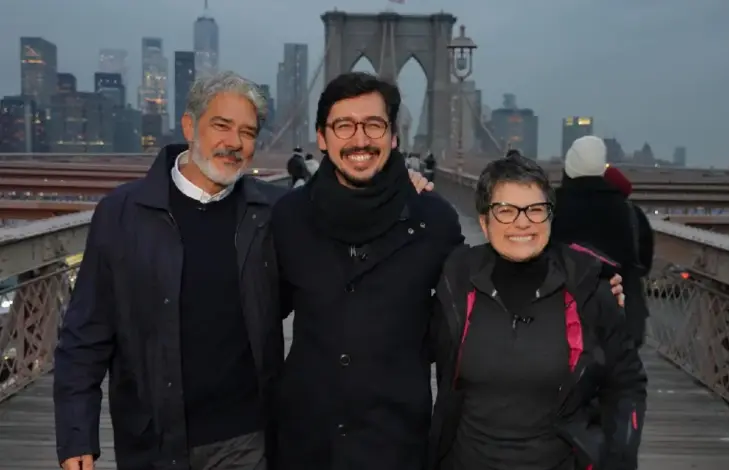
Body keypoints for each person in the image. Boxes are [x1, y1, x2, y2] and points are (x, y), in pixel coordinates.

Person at [268, 72, 625, 470]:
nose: (360, 139)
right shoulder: (287, 218)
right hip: (305, 442)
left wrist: (586, 281)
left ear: (393, 136)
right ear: (322, 136)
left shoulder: (432, 220)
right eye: (343, 125)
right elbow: (258, 313)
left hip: (397, 443)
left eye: (374, 125)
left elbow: (492, 278)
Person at [54, 71, 284, 470]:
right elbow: (86, 333)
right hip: (151, 441)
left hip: (245, 439)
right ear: (189, 125)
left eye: (247, 132)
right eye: (221, 126)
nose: (234, 143)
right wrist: (76, 433)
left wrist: (407, 184)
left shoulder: (275, 213)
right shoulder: (122, 213)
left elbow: (345, 221)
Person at [429, 157, 647, 470]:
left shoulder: (590, 290)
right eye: (505, 210)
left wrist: (618, 457)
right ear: (483, 222)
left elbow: (625, 384)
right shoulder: (455, 281)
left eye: (535, 209)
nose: (522, 222)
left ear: (549, 217)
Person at [552, 136, 650, 347]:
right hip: (620, 323)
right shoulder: (631, 213)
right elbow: (643, 264)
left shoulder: (547, 210)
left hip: (560, 324)